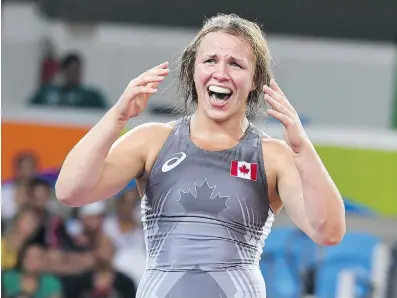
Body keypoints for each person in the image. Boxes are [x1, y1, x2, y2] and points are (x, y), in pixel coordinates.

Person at [56, 13, 346, 298]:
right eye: (210, 60)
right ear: (192, 70)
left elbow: (329, 232)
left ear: (256, 79)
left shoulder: (273, 156)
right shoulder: (153, 140)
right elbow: (70, 191)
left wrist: (302, 149)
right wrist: (115, 119)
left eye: (235, 63)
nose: (221, 73)